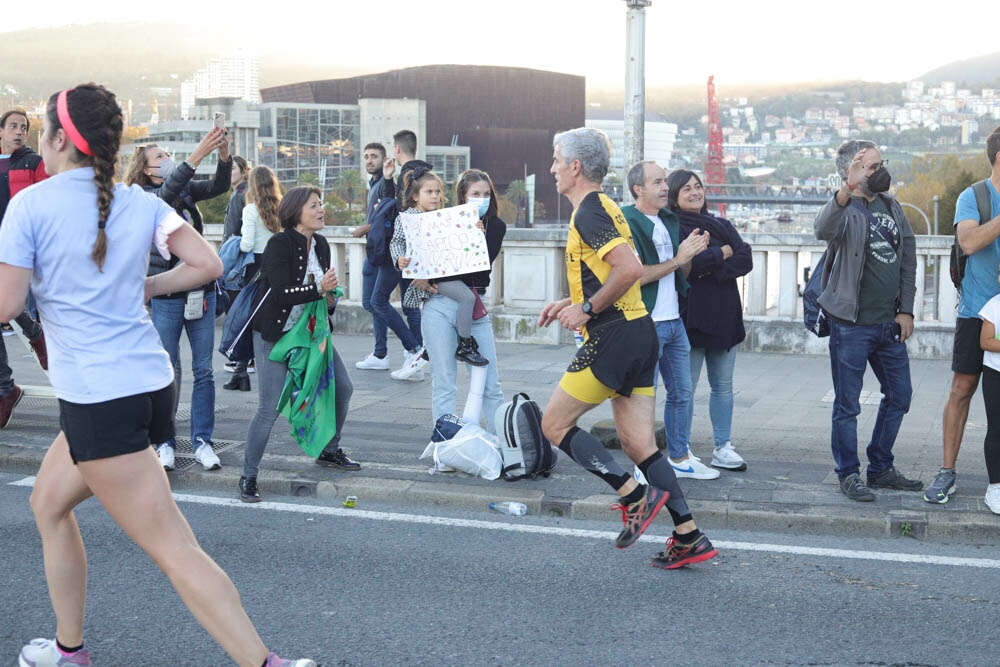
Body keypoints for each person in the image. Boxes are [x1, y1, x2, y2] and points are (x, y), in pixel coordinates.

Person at [0, 83, 314, 667]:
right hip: (146, 386)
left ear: (61, 140)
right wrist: (147, 286)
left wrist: (136, 286)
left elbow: (6, 302)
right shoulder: (137, 203)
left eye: (42, 132)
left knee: (174, 547)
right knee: (47, 503)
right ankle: (68, 650)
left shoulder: (30, 207)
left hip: (101, 397)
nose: (37, 142)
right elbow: (208, 264)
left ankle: (264, 662)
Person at [538, 127, 717, 568]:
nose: (552, 168)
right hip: (640, 332)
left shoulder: (590, 212)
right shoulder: (605, 208)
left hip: (614, 336)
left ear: (575, 167)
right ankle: (688, 535)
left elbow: (629, 269)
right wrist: (571, 301)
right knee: (639, 445)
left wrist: (586, 309)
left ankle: (632, 494)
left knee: (554, 426)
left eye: (556, 160)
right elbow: (610, 272)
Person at [814, 140, 920, 501]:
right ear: (852, 172)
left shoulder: (891, 204)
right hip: (851, 325)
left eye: (880, 164)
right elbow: (822, 229)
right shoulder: (845, 208)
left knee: (900, 395)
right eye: (872, 167)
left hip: (888, 324)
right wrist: (846, 190)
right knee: (848, 403)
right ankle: (848, 473)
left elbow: (908, 256)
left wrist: (905, 309)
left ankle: (880, 466)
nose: (880, 171)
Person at [239, 185, 360, 503]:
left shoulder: (321, 244)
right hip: (275, 335)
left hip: (311, 335)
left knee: (343, 389)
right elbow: (280, 294)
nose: (321, 210)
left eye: (321, 205)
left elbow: (323, 297)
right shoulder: (279, 244)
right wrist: (320, 288)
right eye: (313, 206)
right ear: (295, 212)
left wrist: (331, 296)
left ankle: (328, 450)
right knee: (269, 408)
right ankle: (248, 476)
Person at [125, 129, 232, 472]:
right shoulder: (141, 196)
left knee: (204, 371)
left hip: (199, 293)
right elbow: (165, 194)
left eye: (169, 155)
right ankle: (165, 442)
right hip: (167, 295)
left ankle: (202, 441)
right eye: (160, 157)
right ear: (144, 169)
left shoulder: (183, 190)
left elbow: (218, 186)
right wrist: (197, 154)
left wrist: (224, 156)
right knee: (168, 370)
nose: (167, 160)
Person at [621, 161, 715, 479]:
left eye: (664, 181)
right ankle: (643, 465)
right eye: (658, 182)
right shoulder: (627, 221)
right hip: (647, 322)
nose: (666, 187)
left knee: (682, 393)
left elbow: (679, 272)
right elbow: (634, 276)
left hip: (674, 320)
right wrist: (679, 258)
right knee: (643, 398)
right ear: (639, 189)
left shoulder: (668, 220)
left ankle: (679, 456)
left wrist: (687, 256)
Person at [927, 125, 1000, 504]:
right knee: (962, 389)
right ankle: (947, 471)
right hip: (977, 311)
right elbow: (969, 241)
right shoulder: (973, 197)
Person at [667, 169, 751, 473]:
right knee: (685, 389)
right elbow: (685, 266)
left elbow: (746, 259)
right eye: (686, 188)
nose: (694, 192)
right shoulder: (672, 227)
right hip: (691, 318)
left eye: (698, 186)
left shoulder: (721, 224)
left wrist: (708, 264)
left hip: (726, 316)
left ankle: (722, 446)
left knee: (724, 387)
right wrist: (721, 254)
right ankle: (682, 449)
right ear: (675, 196)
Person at [420, 168, 506, 430]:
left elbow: (481, 267)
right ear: (462, 196)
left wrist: (474, 236)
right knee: (444, 383)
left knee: (490, 383)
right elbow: (430, 262)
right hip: (440, 306)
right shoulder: (442, 221)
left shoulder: (495, 226)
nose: (481, 198)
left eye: (486, 194)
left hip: (475, 307)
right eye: (475, 194)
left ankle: (504, 447)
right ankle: (444, 447)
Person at [390, 167, 489, 367]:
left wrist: (476, 231)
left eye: (437, 192)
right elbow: (396, 242)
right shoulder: (406, 218)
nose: (435, 196)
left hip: (442, 273)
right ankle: (464, 345)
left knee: (464, 299)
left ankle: (444, 346)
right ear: (416, 196)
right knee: (467, 297)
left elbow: (460, 244)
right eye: (429, 192)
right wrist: (399, 259)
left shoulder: (444, 217)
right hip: (427, 275)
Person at [0, 108, 49, 426]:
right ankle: (7, 388)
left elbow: (47, 201)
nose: (19, 131)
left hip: (20, 248)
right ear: (1, 131)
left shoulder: (33, 162)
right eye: (14, 126)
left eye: (25, 127)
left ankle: (6, 389)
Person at [378, 130, 431, 381]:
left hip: (400, 250)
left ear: (397, 149)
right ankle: (414, 359)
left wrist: (389, 182)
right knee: (411, 305)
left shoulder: (408, 174)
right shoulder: (425, 172)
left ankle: (415, 350)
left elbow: (394, 209)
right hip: (415, 250)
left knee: (377, 300)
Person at [224, 165, 282, 392]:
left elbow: (247, 244)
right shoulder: (281, 207)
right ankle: (243, 372)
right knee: (268, 317)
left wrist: (232, 244)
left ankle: (241, 372)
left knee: (246, 319)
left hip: (255, 268)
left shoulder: (250, 210)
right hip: (275, 266)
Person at [354, 142, 395, 371]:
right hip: (373, 250)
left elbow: (386, 219)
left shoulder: (384, 185)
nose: (370, 160)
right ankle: (381, 353)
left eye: (374, 157)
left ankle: (389, 349)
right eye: (366, 156)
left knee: (374, 302)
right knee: (371, 303)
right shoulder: (373, 185)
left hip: (379, 251)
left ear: (384, 159)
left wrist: (364, 229)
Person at [975, 290, 1000, 514]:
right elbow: (986, 341)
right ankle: (995, 487)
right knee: (996, 430)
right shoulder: (994, 305)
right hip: (995, 374)